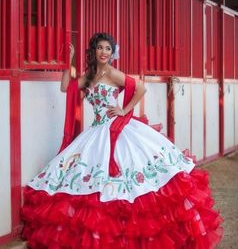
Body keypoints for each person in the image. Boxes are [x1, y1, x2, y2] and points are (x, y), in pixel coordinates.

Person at [21, 33, 223, 248]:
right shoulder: (89, 75)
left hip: (117, 129)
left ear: (112, 52)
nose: (104, 52)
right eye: (100, 48)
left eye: (108, 48)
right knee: (84, 179)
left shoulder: (112, 73)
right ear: (93, 51)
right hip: (96, 132)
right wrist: (69, 61)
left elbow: (140, 88)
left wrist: (124, 109)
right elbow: (66, 88)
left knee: (131, 182)